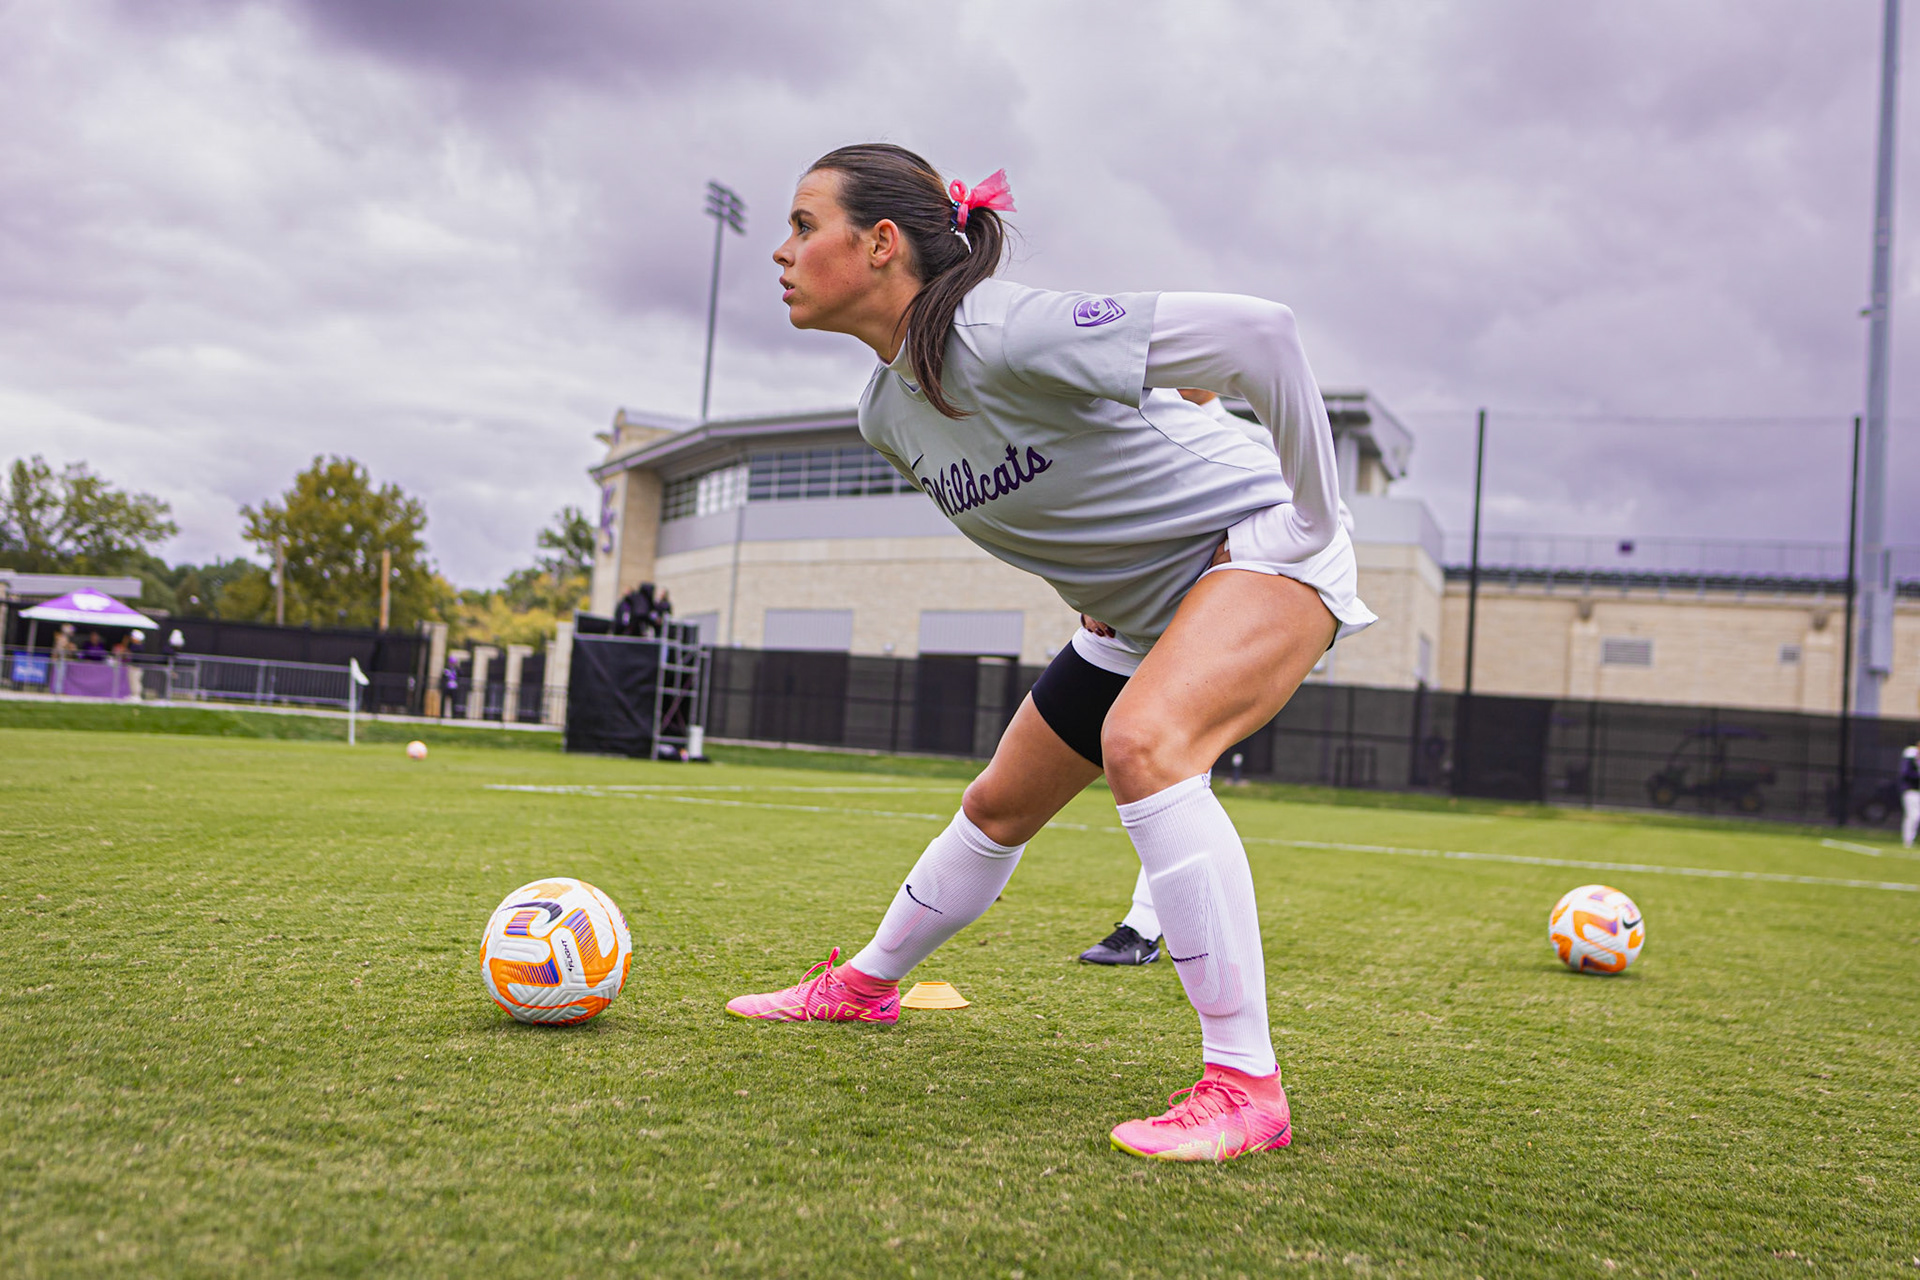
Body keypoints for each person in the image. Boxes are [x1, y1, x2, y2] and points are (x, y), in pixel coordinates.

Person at [727, 143, 1374, 1163]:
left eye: (805, 225)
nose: (782, 249)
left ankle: (1246, 1084)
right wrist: (1111, 593)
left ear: (881, 243)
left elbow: (1260, 334)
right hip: (1141, 610)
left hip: (1258, 548)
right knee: (998, 803)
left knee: (1145, 744)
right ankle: (864, 986)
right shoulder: (883, 411)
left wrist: (1311, 511)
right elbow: (1066, 498)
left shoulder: (1001, 329)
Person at [1079, 389, 1358, 967]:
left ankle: (1146, 928)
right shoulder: (1138, 436)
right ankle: (1163, 928)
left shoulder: (1249, 442)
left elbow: (1327, 523)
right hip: (1146, 634)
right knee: (1159, 764)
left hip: (1222, 637)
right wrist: (1096, 595)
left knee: (1177, 766)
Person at [1900, 745, 1920, 848]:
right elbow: (1905, 773)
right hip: (1911, 791)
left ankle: (1910, 839)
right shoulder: (1911, 757)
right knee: (1914, 816)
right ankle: (1908, 840)